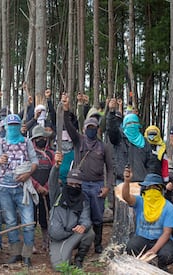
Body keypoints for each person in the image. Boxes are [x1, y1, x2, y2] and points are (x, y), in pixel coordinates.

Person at [62, 94, 114, 254]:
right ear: (84, 129)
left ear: (97, 129)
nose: (91, 130)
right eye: (88, 127)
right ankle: (78, 243)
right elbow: (69, 127)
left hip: (97, 186)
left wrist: (107, 187)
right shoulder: (79, 141)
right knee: (79, 214)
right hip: (80, 185)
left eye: (94, 127)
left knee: (98, 217)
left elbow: (111, 168)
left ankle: (97, 245)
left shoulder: (103, 146)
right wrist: (66, 110)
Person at [0, 114, 39, 267]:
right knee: (11, 221)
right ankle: (15, 253)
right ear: (5, 127)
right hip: (5, 188)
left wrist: (28, 174)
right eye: (10, 125)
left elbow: (35, 161)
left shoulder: (27, 142)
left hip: (23, 188)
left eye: (15, 125)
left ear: (20, 126)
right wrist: (0, 159)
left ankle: (27, 255)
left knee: (27, 222)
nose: (13, 128)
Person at [48, 151, 94, 270]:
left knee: (89, 233)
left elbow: (86, 219)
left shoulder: (83, 200)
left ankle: (79, 258)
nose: (73, 187)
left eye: (77, 185)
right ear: (66, 183)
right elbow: (52, 182)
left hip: (73, 234)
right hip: (57, 237)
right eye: (71, 184)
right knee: (60, 267)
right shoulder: (57, 195)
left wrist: (83, 226)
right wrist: (56, 167)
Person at [122, 171, 173, 271]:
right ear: (145, 189)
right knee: (131, 247)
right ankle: (139, 266)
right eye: (149, 188)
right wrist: (127, 181)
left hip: (161, 239)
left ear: (160, 190)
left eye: (154, 188)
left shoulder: (169, 207)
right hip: (143, 237)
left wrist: (153, 250)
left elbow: (167, 233)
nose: (151, 191)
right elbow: (126, 197)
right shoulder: (140, 201)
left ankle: (160, 266)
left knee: (168, 255)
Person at [30, 125, 55, 251]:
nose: (41, 140)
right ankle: (31, 242)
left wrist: (46, 186)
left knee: (45, 216)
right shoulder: (30, 154)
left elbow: (54, 171)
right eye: (38, 138)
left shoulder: (51, 153)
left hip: (47, 190)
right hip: (32, 190)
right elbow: (27, 173)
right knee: (32, 216)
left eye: (43, 138)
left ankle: (47, 241)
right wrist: (37, 186)